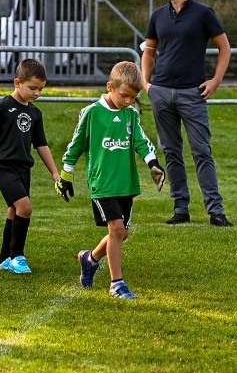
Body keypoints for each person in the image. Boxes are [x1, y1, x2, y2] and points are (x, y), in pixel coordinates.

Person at [59, 61, 166, 300]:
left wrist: (153, 163)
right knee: (116, 230)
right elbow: (76, 146)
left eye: (133, 97)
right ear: (110, 86)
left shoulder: (131, 114)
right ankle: (116, 284)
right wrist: (66, 173)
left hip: (125, 183)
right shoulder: (92, 113)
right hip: (102, 183)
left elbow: (141, 141)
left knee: (122, 234)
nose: (128, 101)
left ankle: (90, 258)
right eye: (124, 95)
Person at [140, 0, 232, 226]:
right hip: (161, 93)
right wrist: (147, 84)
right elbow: (149, 52)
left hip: (193, 94)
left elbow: (225, 49)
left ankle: (216, 212)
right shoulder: (158, 15)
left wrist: (215, 81)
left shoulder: (203, 13)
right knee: (171, 152)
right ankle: (181, 209)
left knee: (202, 151)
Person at [0, 58, 64, 275]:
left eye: (41, 89)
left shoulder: (35, 114)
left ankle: (4, 258)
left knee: (14, 210)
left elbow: (41, 144)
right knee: (25, 207)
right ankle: (17, 256)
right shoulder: (2, 107)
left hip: (23, 169)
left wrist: (55, 173)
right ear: (17, 82)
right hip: (3, 168)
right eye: (32, 88)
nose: (37, 93)